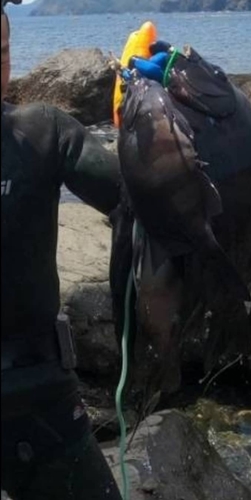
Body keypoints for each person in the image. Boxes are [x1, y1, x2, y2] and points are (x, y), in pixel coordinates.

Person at [1, 1, 123, 498]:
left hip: (36, 392)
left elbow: (132, 198)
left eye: (1, 51)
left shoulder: (44, 132)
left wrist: (151, 124)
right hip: (36, 391)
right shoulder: (42, 130)